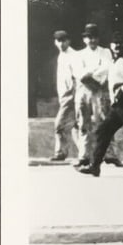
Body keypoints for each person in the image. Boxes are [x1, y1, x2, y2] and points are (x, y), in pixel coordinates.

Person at [77, 32, 123, 178]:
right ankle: (94, 166)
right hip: (117, 106)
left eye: (120, 43)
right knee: (103, 131)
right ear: (110, 46)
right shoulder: (112, 62)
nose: (117, 46)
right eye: (114, 43)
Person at [71, 23, 123, 168]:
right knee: (83, 123)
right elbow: (78, 73)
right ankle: (84, 156)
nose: (92, 41)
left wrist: (92, 74)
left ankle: (110, 155)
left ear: (98, 39)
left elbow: (106, 68)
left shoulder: (105, 52)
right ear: (84, 39)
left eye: (94, 37)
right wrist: (89, 75)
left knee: (104, 122)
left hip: (99, 89)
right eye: (89, 38)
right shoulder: (78, 54)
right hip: (83, 90)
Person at [49, 30, 78, 161]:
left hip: (71, 96)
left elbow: (77, 77)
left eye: (64, 40)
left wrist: (72, 94)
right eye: (58, 41)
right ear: (55, 42)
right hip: (64, 96)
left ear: (69, 41)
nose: (61, 43)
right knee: (77, 127)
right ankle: (86, 155)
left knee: (59, 125)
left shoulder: (74, 56)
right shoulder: (62, 56)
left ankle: (61, 152)